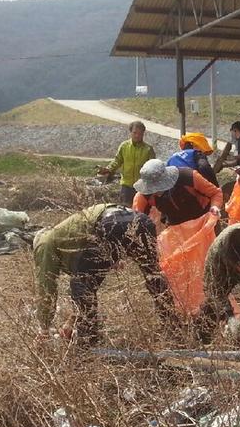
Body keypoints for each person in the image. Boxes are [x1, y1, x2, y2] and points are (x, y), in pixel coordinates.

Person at [33, 204, 176, 342]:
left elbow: (46, 286)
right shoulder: (66, 233)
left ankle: (87, 338)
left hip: (110, 225)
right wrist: (72, 319)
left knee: (80, 284)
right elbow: (90, 273)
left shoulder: (44, 243)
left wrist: (44, 328)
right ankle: (173, 325)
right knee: (153, 275)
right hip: (142, 220)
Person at [132, 158, 223, 227]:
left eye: (158, 188)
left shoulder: (188, 177)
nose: (155, 192)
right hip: (176, 227)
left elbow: (215, 193)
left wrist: (215, 206)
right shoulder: (143, 196)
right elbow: (136, 223)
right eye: (152, 189)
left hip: (204, 220)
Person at [98, 121, 156, 205]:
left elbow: (153, 168)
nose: (137, 135)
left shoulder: (148, 149)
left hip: (143, 187)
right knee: (126, 213)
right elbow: (117, 161)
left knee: (141, 213)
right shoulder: (124, 146)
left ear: (143, 134)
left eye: (140, 133)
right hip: (126, 186)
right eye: (134, 133)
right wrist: (108, 169)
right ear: (130, 132)